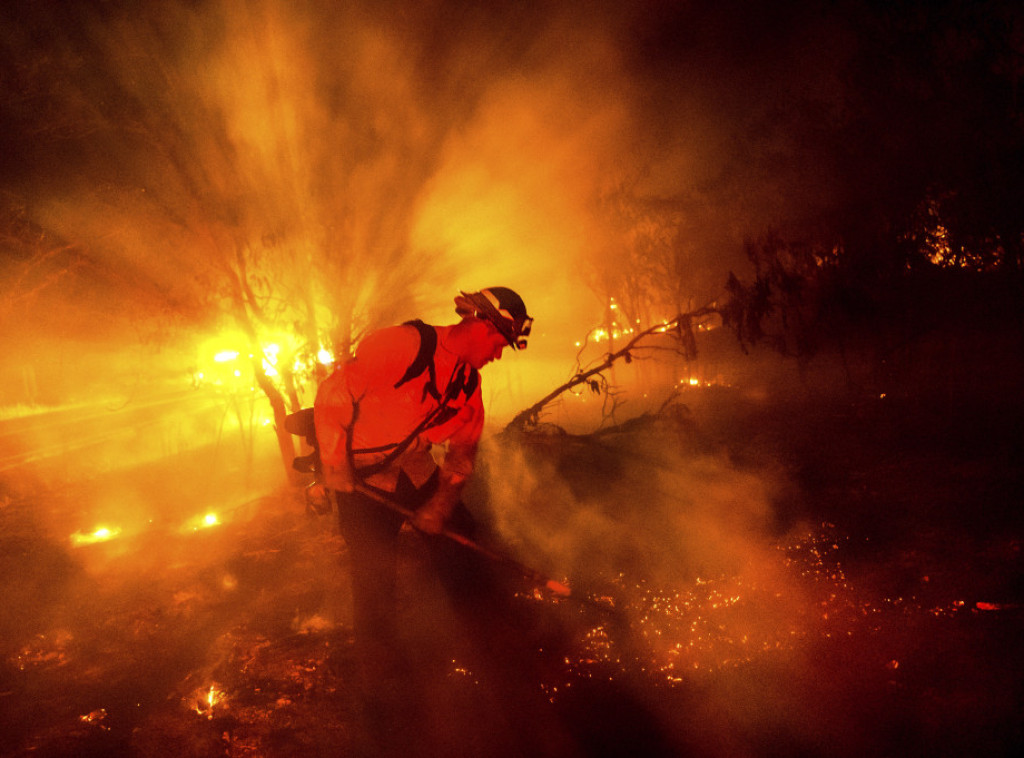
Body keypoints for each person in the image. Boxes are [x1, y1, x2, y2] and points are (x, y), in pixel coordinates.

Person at [311, 287, 533, 675]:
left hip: (415, 469)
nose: (499, 354)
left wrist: (440, 505)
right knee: (372, 573)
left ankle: (486, 635)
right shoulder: (402, 344)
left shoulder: (469, 387)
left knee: (462, 535)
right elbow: (333, 395)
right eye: (501, 341)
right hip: (362, 479)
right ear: (482, 323)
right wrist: (333, 466)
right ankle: (379, 667)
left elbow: (463, 452)